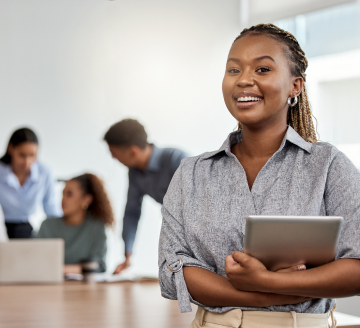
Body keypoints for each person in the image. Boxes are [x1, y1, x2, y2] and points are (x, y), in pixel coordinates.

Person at [158, 24, 360, 328]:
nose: (244, 80)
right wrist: (264, 293)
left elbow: (356, 267)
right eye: (233, 70)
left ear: (296, 86)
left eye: (262, 69)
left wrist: (263, 281)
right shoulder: (191, 173)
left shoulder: (329, 166)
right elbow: (173, 271)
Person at [104, 119, 188, 274]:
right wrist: (128, 253)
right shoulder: (135, 173)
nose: (114, 159)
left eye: (115, 154)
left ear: (133, 152)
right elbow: (132, 212)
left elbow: (198, 205)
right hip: (175, 230)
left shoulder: (176, 160)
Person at [37, 174, 114, 274]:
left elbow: (99, 265)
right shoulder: (47, 225)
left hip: (84, 288)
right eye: (62, 194)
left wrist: (62, 270)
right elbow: (35, 261)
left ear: (86, 199)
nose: (63, 200)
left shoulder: (96, 227)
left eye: (69, 194)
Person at [0, 128, 62, 238]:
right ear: (10, 149)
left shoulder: (44, 172)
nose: (27, 162)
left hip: (27, 230)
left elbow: (52, 210)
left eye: (32, 155)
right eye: (22, 155)